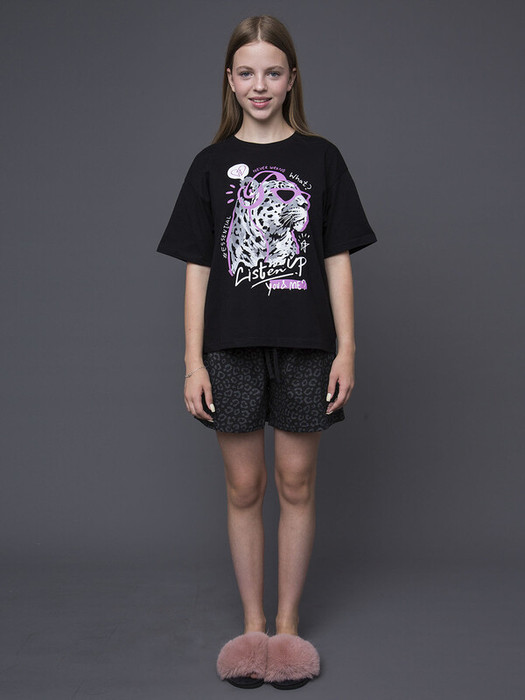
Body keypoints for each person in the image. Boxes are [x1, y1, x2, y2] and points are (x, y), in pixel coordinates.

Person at [156, 15, 377, 690]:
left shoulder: (322, 158)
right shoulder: (208, 165)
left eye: (272, 72)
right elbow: (196, 269)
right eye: (247, 72)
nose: (260, 85)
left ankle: (287, 627)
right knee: (244, 487)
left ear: (291, 79)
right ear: (230, 80)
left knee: (296, 484)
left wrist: (347, 347)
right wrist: (192, 361)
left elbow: (337, 258)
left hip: (308, 346)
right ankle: (252, 627)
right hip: (229, 347)